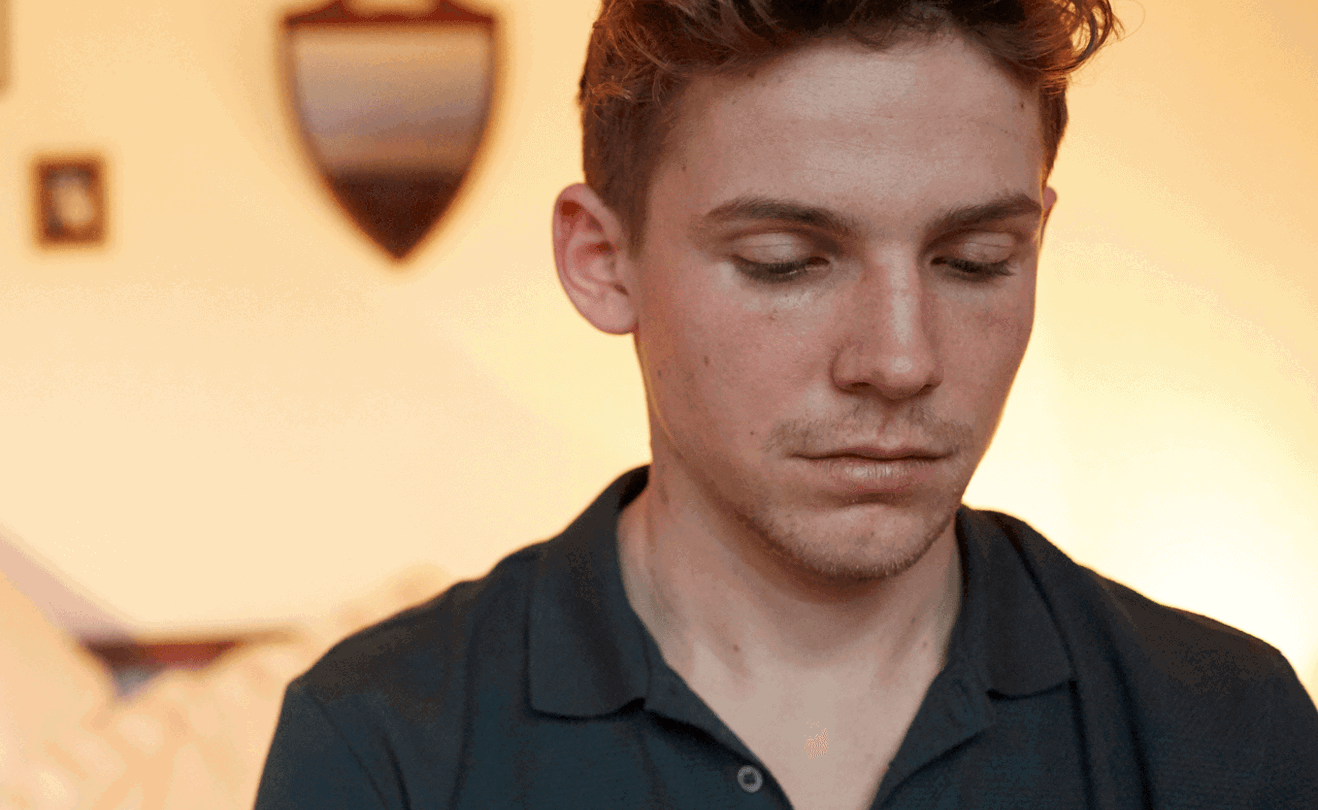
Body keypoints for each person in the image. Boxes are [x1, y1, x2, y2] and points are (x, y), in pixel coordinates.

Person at [254, 0, 1318, 807]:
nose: (900, 360)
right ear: (601, 261)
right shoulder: (379, 743)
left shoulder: (1223, 724)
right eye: (785, 262)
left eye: (976, 260)